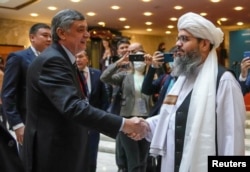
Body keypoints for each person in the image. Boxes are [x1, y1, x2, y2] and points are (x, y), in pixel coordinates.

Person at [22, 9, 148, 172]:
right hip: (53, 152)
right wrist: (124, 124)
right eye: (80, 30)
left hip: (65, 148)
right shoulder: (53, 61)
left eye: (86, 30)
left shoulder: (64, 59)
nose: (87, 35)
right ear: (61, 33)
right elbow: (73, 106)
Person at [135, 12, 246, 172]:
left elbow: (232, 138)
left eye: (185, 39)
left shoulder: (223, 80)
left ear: (204, 44)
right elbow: (174, 117)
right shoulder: (183, 78)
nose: (178, 44)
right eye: (178, 38)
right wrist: (146, 125)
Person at [1, 23, 51, 156]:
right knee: (29, 160)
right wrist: (17, 124)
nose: (49, 39)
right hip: (27, 121)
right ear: (32, 37)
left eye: (51, 36)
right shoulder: (18, 58)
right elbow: (7, 94)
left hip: (49, 121)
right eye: (45, 35)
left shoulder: (51, 59)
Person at [101, 42, 152, 172]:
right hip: (128, 119)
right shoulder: (125, 76)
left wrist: (153, 66)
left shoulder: (151, 77)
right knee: (132, 158)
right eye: (137, 58)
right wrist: (119, 62)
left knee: (143, 159)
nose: (139, 61)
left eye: (142, 58)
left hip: (146, 119)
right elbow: (104, 77)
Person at [75, 50, 108, 172]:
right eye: (75, 57)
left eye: (80, 56)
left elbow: (104, 99)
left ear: (87, 58)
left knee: (92, 154)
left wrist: (101, 118)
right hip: (75, 121)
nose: (77, 59)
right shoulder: (69, 75)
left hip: (93, 122)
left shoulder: (97, 74)